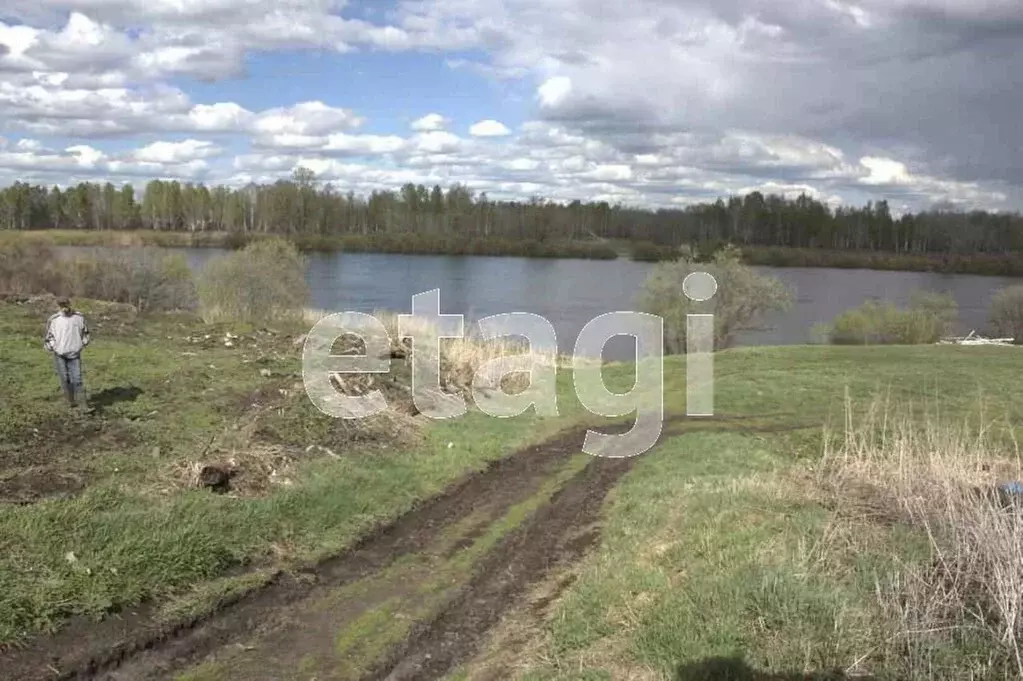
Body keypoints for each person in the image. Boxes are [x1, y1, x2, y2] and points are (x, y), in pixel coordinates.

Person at [44, 297, 91, 410]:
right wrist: (53, 347)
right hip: (60, 355)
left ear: (69, 304)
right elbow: (49, 336)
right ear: (58, 306)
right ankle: (70, 400)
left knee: (78, 379)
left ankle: (83, 406)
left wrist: (81, 344)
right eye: (61, 305)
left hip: (74, 354)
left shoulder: (79, 318)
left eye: (65, 304)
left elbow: (86, 333)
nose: (64, 307)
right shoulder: (54, 320)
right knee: (65, 378)